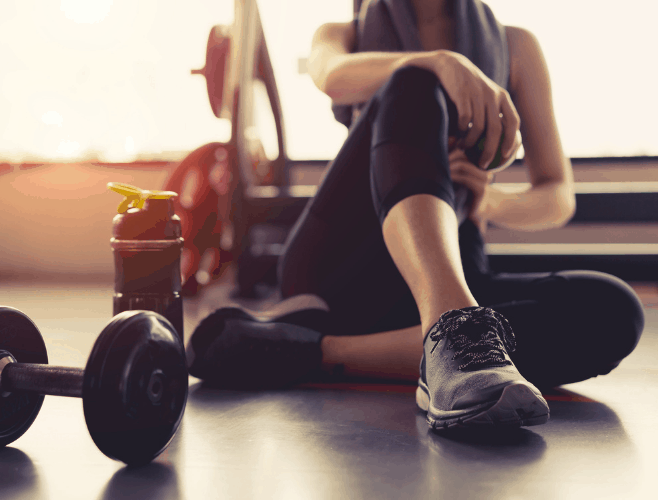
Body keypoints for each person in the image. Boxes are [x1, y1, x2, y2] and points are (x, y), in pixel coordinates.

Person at [185, 0, 645, 430]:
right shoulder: (342, 33)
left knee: (615, 310)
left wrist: (491, 202)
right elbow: (332, 77)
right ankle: (454, 333)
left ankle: (317, 350)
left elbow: (557, 195)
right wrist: (440, 61)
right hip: (341, 268)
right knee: (415, 79)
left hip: (454, 265)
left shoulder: (516, 45)